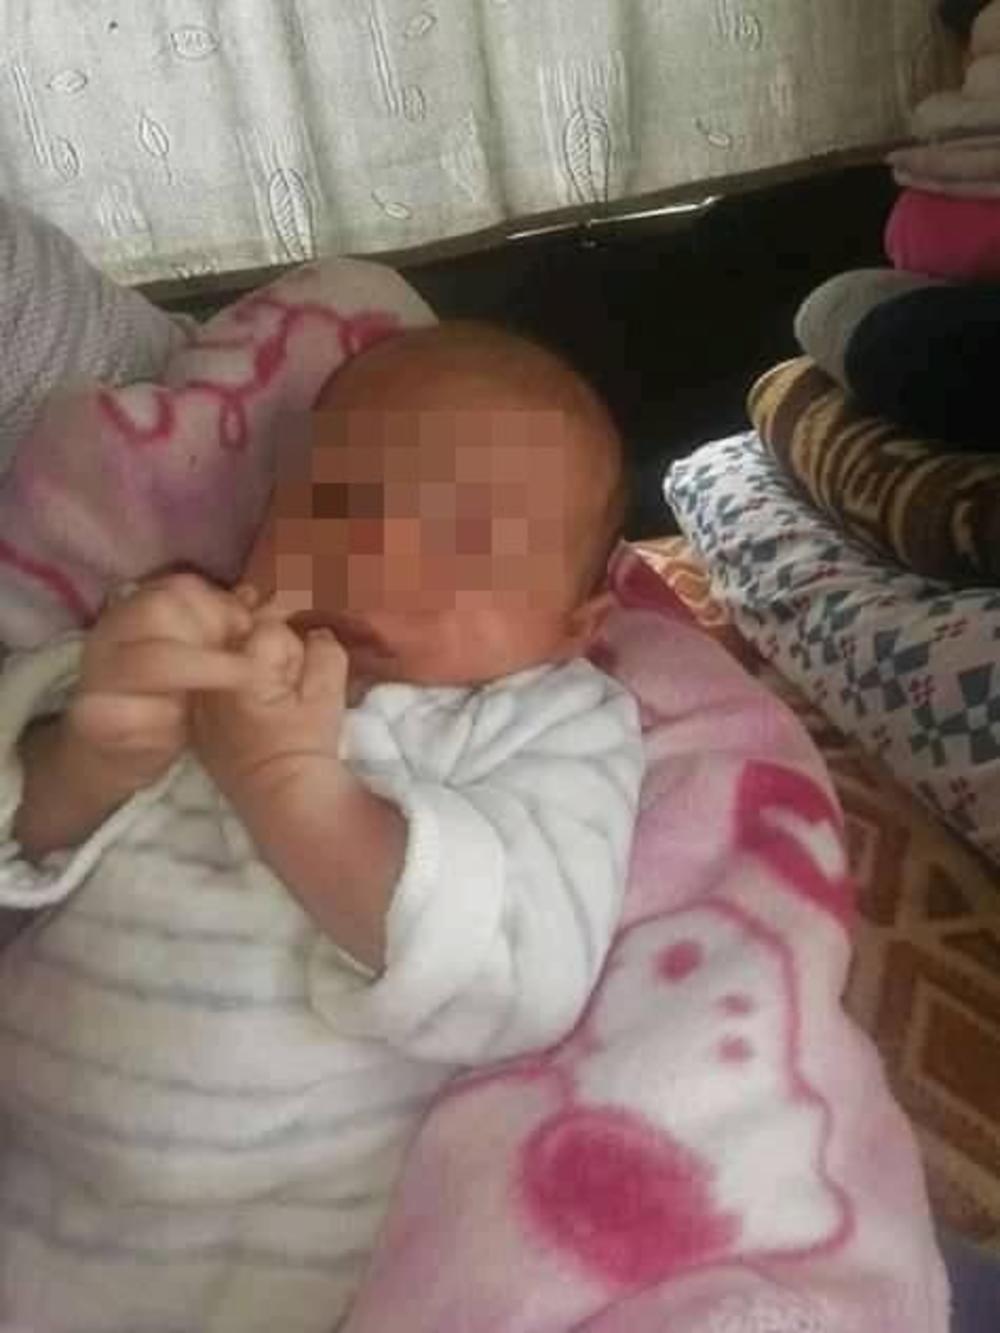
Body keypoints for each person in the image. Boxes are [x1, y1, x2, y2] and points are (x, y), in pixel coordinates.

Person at [0, 322, 645, 1333]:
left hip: (267, 1259)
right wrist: (84, 760)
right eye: (336, 502)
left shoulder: (547, 720)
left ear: (575, 625)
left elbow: (524, 967)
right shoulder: (174, 637)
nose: (374, 556)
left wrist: (289, 790)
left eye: (469, 540)